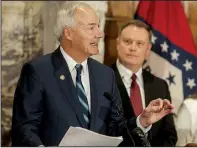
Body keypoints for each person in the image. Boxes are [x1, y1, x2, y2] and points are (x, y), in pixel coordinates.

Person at [11, 2, 174, 146]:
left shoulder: (105, 75)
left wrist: (142, 120)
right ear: (68, 33)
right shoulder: (38, 71)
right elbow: (25, 128)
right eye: (91, 27)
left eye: (98, 26)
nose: (100, 33)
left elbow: (115, 129)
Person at [110, 20, 177, 146]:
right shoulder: (101, 78)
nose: (133, 48)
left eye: (139, 44)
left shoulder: (160, 86)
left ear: (147, 49)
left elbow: (169, 135)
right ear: (117, 44)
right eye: (127, 42)